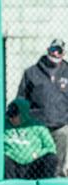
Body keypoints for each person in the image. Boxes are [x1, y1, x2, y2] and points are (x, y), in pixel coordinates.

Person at [17, 39, 68, 177]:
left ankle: (57, 179)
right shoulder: (31, 72)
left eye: (59, 50)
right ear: (48, 50)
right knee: (37, 157)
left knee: (58, 161)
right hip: (37, 126)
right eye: (53, 50)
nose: (56, 53)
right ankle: (36, 178)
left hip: (61, 124)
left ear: (64, 53)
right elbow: (22, 98)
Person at [4, 98, 57, 179]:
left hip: (33, 164)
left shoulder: (37, 126)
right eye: (10, 116)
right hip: (12, 163)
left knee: (51, 158)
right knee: (4, 159)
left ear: (23, 114)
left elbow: (51, 147)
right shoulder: (5, 125)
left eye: (15, 116)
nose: (11, 119)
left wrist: (37, 154)